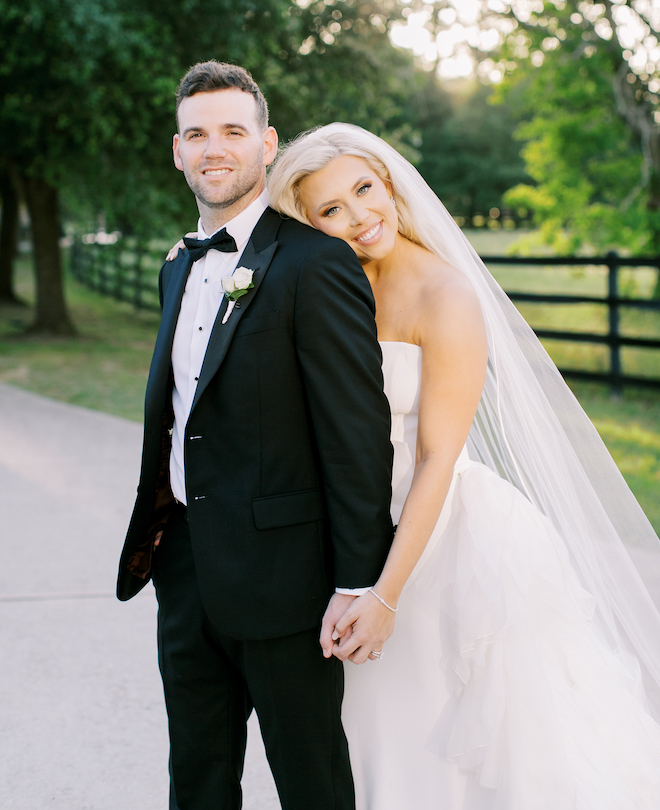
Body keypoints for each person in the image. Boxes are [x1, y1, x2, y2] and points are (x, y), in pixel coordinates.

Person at [264, 123, 660, 808]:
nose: (360, 217)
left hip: (439, 538)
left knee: (447, 741)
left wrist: (385, 593)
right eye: (332, 209)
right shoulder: (332, 287)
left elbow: (437, 455)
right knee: (364, 739)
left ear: (389, 184)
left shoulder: (444, 296)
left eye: (365, 189)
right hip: (350, 531)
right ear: (308, 224)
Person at [116, 65, 395, 810]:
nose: (215, 148)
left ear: (266, 145)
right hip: (185, 571)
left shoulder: (315, 262)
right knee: (197, 781)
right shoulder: (178, 264)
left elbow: (356, 436)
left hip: (287, 585)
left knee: (312, 785)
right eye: (198, 134)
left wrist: (359, 582)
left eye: (233, 131)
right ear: (177, 151)